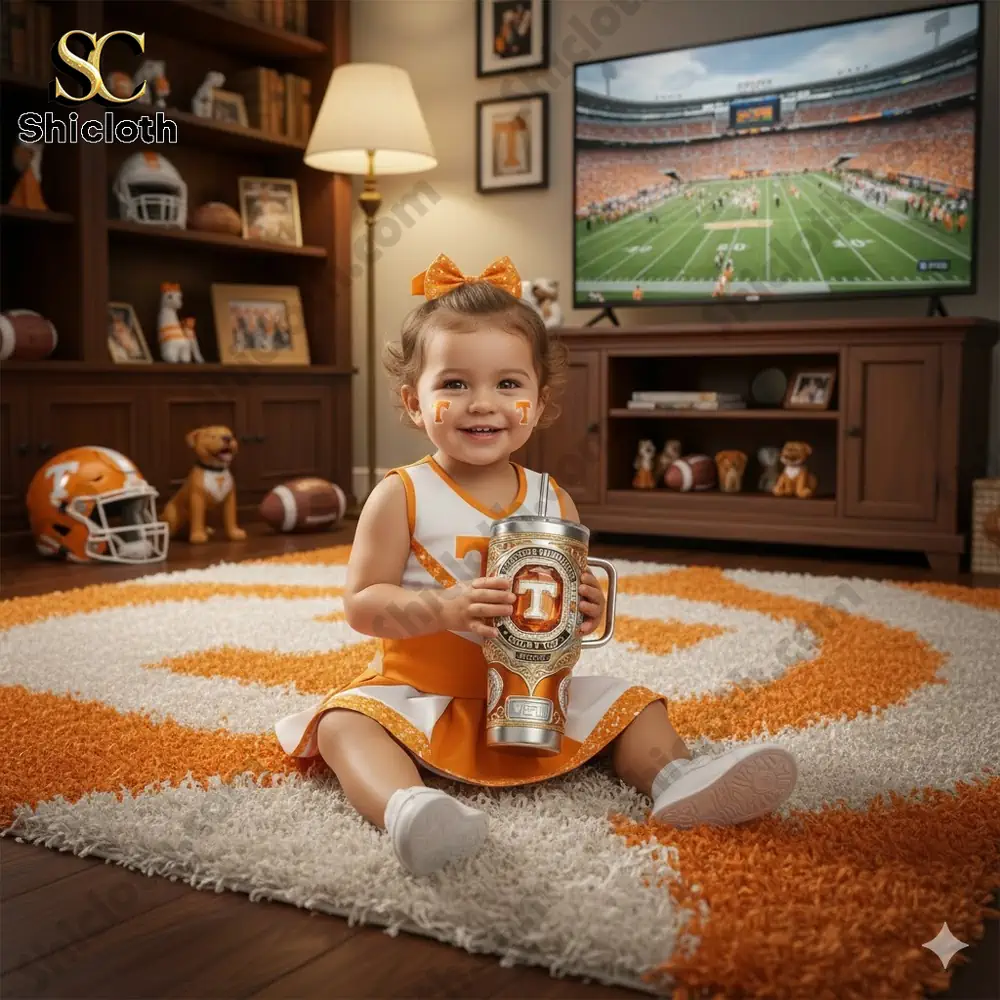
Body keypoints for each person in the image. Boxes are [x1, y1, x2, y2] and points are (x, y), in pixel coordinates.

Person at [273, 253, 798, 877]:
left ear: (539, 401)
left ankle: (678, 778)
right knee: (342, 724)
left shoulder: (552, 499)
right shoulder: (401, 493)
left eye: (508, 384)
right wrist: (442, 608)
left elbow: (558, 620)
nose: (482, 403)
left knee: (633, 702)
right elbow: (362, 605)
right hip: (422, 694)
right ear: (416, 403)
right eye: (455, 384)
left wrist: (583, 612)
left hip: (532, 701)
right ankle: (409, 808)